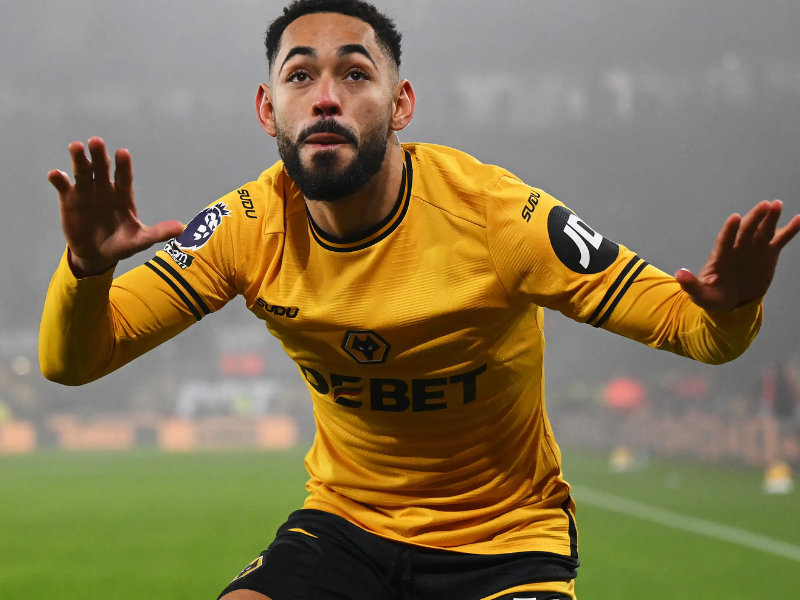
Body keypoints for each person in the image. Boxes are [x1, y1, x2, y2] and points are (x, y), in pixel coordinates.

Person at [39, 1, 800, 598]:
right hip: (346, 526)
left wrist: (731, 306)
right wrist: (86, 268)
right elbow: (73, 362)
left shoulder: (499, 217)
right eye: (300, 77)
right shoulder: (245, 227)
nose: (326, 98)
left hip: (505, 540)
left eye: (355, 74)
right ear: (268, 110)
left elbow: (696, 333)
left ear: (401, 103)